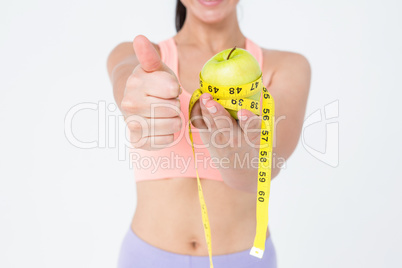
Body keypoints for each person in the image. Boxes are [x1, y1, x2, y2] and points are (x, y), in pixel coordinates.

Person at [107, 0, 310, 267]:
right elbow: (125, 74)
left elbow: (260, 174)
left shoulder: (287, 67)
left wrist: (235, 155)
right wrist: (135, 96)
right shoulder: (140, 57)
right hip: (146, 257)